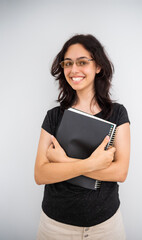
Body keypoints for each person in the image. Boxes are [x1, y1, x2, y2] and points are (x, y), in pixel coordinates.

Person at [34, 34, 130, 240]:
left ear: (98, 67)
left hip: (106, 227)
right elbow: (41, 175)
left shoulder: (118, 114)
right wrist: (93, 163)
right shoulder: (53, 116)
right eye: (68, 63)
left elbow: (120, 172)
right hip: (55, 227)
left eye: (82, 62)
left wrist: (63, 162)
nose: (73, 70)